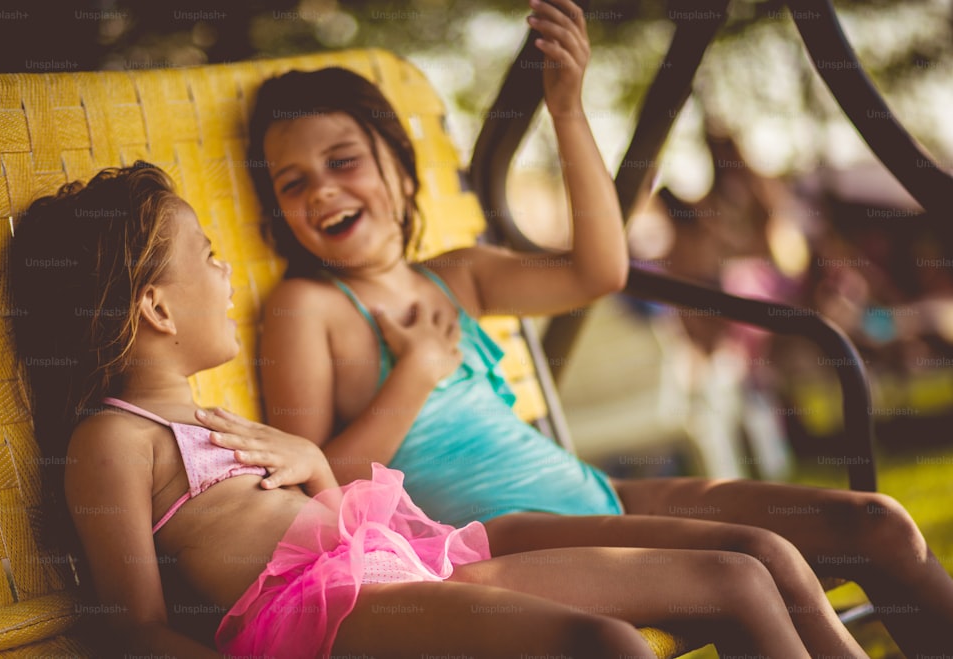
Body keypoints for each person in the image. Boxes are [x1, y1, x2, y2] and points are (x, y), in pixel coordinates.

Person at [249, 0, 953, 655]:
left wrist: (566, 110)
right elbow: (315, 487)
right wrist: (418, 371)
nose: (324, 190)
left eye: (342, 161)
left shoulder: (454, 274)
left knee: (876, 523)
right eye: (293, 182)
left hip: (595, 494)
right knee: (762, 560)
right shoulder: (306, 307)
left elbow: (598, 270)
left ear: (400, 174)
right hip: (497, 538)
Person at [9, 161, 853, 659]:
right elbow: (133, 627)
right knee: (609, 646)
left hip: (409, 556)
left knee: (736, 576)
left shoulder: (216, 418)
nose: (228, 274)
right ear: (156, 308)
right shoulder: (113, 438)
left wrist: (306, 462)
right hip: (323, 613)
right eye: (209, 257)